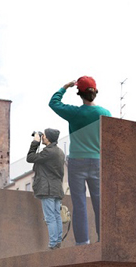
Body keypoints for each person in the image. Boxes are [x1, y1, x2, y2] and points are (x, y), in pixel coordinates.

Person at [49, 76, 112, 245]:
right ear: (95, 92)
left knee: (79, 203)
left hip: (77, 162)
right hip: (98, 161)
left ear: (79, 93)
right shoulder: (105, 114)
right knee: (100, 202)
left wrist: (64, 87)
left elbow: (53, 103)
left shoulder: (74, 113)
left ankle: (83, 243)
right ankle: (103, 239)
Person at [26, 128, 65, 250]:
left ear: (48, 138)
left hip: (47, 188)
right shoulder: (59, 152)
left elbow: (30, 157)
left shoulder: (49, 152)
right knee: (56, 215)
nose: (42, 137)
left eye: (44, 136)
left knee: (50, 217)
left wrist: (35, 142)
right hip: (56, 188)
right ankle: (57, 241)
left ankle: (53, 243)